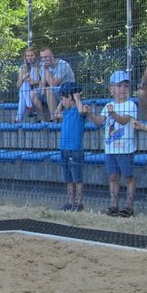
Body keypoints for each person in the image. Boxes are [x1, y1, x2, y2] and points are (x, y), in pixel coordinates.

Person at [87, 71, 137, 217]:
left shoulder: (131, 104)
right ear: (111, 89)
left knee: (128, 177)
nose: (123, 89)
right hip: (110, 148)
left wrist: (113, 113)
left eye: (126, 86)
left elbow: (123, 120)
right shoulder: (108, 106)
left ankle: (129, 206)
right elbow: (98, 122)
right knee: (113, 177)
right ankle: (113, 205)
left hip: (126, 149)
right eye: (119, 85)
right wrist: (89, 113)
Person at [53, 81, 89, 211]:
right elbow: (55, 115)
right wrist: (61, 103)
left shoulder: (81, 109)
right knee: (68, 178)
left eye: (63, 99)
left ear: (71, 98)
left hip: (75, 150)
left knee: (77, 178)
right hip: (64, 149)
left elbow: (80, 110)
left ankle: (79, 203)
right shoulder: (66, 112)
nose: (62, 102)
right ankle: (70, 202)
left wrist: (77, 98)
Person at [34, 47, 75, 122]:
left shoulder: (62, 65)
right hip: (55, 92)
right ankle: (41, 119)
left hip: (68, 91)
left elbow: (53, 84)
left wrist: (46, 70)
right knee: (32, 93)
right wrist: (42, 88)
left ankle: (53, 119)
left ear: (52, 55)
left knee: (49, 89)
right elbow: (43, 82)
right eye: (42, 58)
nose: (44, 60)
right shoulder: (44, 65)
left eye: (46, 57)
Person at [15, 47, 40, 123]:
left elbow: (43, 82)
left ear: (36, 56)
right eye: (28, 56)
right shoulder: (23, 67)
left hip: (37, 90)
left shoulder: (40, 66)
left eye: (32, 55)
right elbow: (18, 85)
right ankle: (29, 107)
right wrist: (23, 78)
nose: (29, 57)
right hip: (27, 92)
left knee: (23, 91)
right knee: (23, 87)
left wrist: (32, 81)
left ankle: (18, 118)